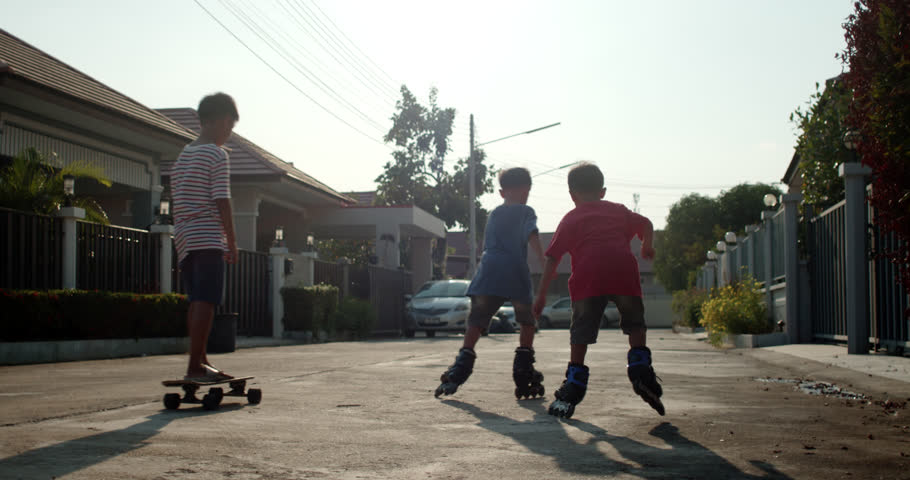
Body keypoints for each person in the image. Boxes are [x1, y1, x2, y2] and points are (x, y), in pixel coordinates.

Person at [532, 162, 664, 418]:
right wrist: (647, 246)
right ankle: (641, 370)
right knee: (635, 324)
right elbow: (646, 223)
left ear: (572, 195)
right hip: (623, 270)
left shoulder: (571, 218)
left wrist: (541, 295)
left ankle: (574, 382)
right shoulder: (619, 211)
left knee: (581, 332)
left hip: (589, 277)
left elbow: (552, 258)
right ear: (602, 191)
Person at [435, 167, 547, 399]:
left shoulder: (495, 213)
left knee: (476, 321)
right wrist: (542, 260)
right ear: (527, 190)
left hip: (489, 270)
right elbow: (531, 234)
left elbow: (488, 244)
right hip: (515, 270)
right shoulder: (526, 211)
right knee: (526, 320)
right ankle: (523, 367)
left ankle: (461, 366)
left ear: (501, 192)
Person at [171, 92, 240, 382]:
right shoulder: (216, 154)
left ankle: (200, 360)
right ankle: (194, 367)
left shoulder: (183, 156)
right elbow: (222, 200)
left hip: (185, 239)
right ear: (221, 120)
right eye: (230, 126)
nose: (229, 133)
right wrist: (232, 242)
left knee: (196, 299)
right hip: (208, 237)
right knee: (207, 300)